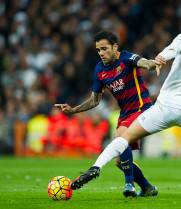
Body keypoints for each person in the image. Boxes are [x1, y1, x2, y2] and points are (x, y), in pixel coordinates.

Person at [70, 6, 181, 199]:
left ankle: (96, 166)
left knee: (125, 137)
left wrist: (160, 59)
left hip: (167, 107)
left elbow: (172, 50)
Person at [55, 31, 159, 197]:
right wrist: (73, 110)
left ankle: (129, 185)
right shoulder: (99, 70)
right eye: (98, 50)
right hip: (125, 114)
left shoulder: (126, 58)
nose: (101, 53)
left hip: (142, 108)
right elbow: (94, 100)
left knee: (120, 137)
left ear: (115, 47)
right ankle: (147, 188)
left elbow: (143, 62)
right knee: (120, 161)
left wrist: (152, 64)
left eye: (104, 48)